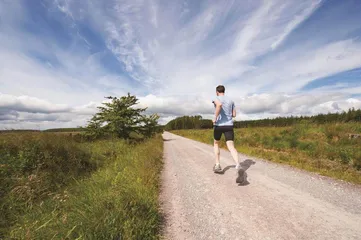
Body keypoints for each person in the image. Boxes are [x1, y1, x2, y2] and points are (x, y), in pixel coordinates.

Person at [212, 85, 240, 173]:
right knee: (231, 146)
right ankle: (238, 165)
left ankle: (217, 165)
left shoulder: (216, 98)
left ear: (217, 92)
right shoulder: (231, 101)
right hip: (229, 125)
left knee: (216, 143)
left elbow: (219, 105)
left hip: (219, 125)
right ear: (224, 91)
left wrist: (215, 117)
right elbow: (234, 114)